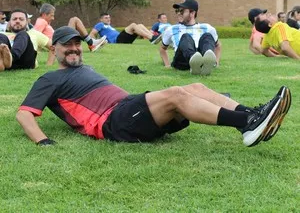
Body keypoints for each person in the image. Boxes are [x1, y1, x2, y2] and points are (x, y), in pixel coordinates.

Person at [16, 26, 291, 148]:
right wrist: (43, 141)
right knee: (176, 93)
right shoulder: (49, 79)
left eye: (78, 44)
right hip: (114, 122)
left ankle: (253, 116)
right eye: (68, 45)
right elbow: (24, 113)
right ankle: (247, 123)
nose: (75, 49)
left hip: (129, 108)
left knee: (194, 85)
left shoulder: (84, 67)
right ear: (55, 49)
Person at [159, 0, 221, 76]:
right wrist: (167, 64)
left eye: (181, 11)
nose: (178, 13)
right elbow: (162, 48)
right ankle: (194, 61)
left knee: (207, 36)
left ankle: (206, 62)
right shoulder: (171, 29)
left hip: (201, 56)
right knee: (186, 37)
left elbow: (218, 45)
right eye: (177, 11)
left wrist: (217, 62)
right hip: (182, 61)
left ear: (192, 13)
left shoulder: (207, 28)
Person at [34, 4, 106, 52]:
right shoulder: (41, 22)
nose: (53, 18)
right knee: (74, 20)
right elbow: (35, 36)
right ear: (44, 14)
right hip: (60, 42)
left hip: (60, 41)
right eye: (51, 15)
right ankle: (91, 43)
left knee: (75, 22)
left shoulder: (42, 22)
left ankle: (91, 43)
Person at [90, 13, 161, 44]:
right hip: (117, 40)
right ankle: (151, 38)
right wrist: (96, 43)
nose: (108, 19)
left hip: (122, 39)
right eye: (106, 18)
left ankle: (153, 37)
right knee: (133, 24)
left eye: (109, 17)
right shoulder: (100, 24)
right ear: (101, 19)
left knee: (140, 25)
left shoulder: (109, 26)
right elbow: (92, 34)